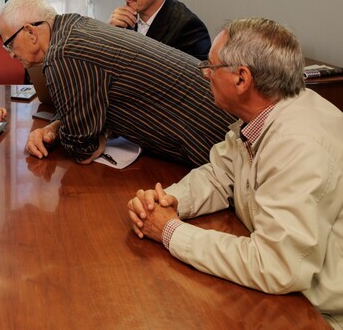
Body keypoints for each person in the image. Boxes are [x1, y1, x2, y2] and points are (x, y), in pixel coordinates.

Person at [127, 19, 343, 327]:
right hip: (288, 294)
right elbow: (219, 175)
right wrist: (167, 201)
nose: (205, 74)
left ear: (241, 79)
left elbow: (275, 266)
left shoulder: (300, 144)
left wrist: (170, 231)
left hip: (316, 313)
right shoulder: (269, 113)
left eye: (212, 67)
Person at [0, 0, 235, 167]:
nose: (9, 53)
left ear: (30, 32)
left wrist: (95, 133)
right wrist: (57, 125)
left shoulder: (63, 54)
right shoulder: (74, 27)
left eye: (8, 43)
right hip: (225, 123)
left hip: (215, 143)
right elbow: (86, 98)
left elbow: (83, 149)